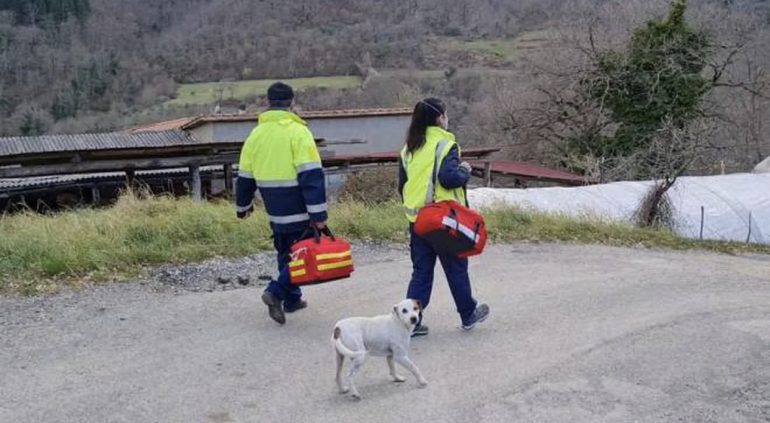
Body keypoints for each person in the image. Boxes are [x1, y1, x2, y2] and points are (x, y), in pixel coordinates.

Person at [235, 82, 327, 325]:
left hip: (274, 209)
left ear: (267, 103)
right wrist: (318, 213)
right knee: (303, 255)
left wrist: (242, 207)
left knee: (285, 251)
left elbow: (244, 177)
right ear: (292, 102)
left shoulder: (256, 135)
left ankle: (292, 299)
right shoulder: (298, 132)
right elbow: (311, 175)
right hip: (298, 206)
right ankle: (275, 292)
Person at [398, 97, 490, 337]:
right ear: (440, 118)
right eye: (446, 115)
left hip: (417, 219)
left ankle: (411, 322)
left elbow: (402, 185)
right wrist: (465, 171)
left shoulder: (408, 148)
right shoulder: (445, 144)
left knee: (421, 271)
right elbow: (448, 178)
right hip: (442, 220)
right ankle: (468, 314)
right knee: (456, 267)